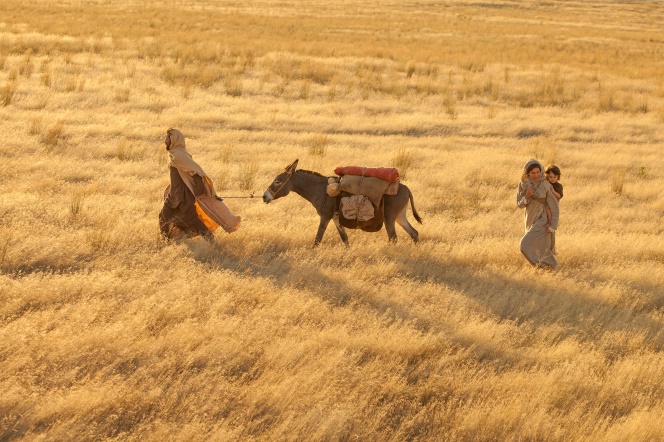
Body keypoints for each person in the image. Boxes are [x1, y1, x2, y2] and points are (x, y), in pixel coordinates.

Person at [159, 128, 241, 241]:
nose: (165, 141)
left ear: (173, 139)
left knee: (193, 221)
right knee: (164, 217)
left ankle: (212, 242)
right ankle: (166, 242)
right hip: (173, 197)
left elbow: (196, 173)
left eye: (167, 138)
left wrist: (201, 190)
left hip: (184, 198)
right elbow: (181, 176)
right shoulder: (174, 155)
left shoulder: (179, 155)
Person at [516, 159, 559, 270]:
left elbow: (554, 206)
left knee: (524, 244)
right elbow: (520, 204)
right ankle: (547, 269)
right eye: (533, 173)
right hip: (530, 217)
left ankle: (543, 266)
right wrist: (527, 195)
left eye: (538, 172)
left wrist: (553, 226)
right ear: (527, 173)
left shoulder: (545, 184)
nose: (536, 175)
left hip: (543, 219)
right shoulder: (523, 184)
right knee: (538, 246)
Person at [544, 164, 563, 254]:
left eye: (554, 177)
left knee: (550, 214)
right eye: (550, 177)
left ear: (558, 177)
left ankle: (552, 250)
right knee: (547, 210)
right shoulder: (546, 184)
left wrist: (553, 192)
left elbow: (559, 196)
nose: (552, 179)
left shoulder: (558, 186)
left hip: (554, 204)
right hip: (547, 204)